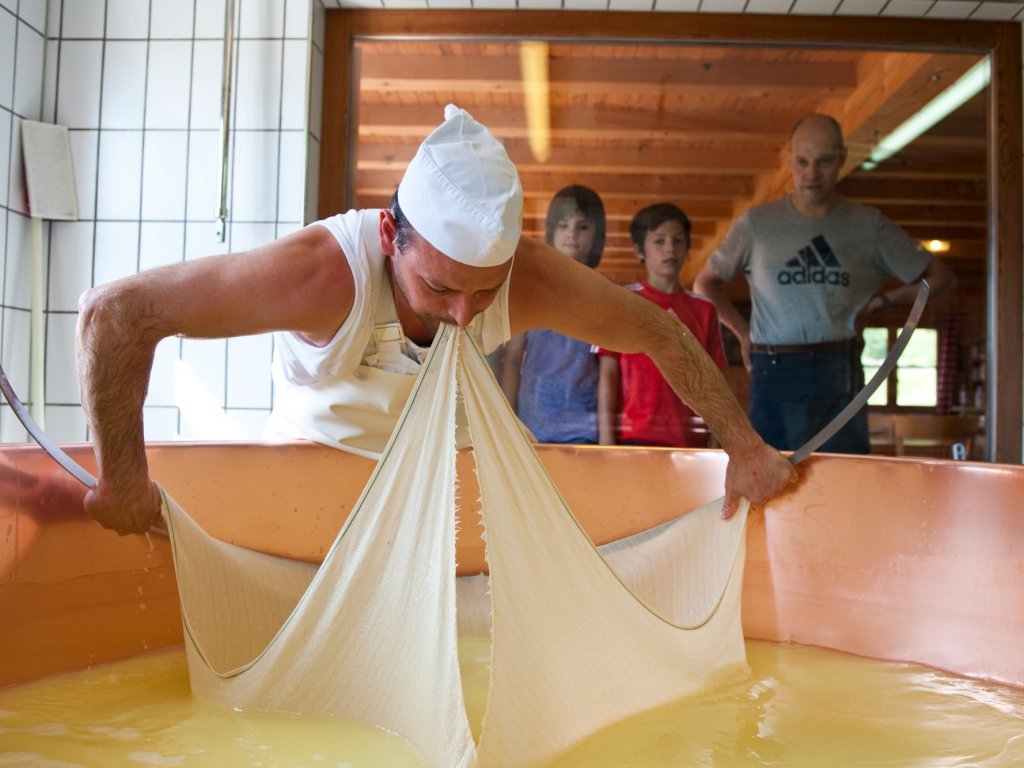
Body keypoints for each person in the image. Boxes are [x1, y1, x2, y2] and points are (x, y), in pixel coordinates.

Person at [77, 104, 796, 536]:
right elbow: (115, 315)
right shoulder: (321, 273)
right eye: (442, 288)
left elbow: (659, 332)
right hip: (312, 492)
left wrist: (744, 447)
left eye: (484, 296)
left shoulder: (529, 276)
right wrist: (123, 481)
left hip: (460, 501)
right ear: (393, 235)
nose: (463, 316)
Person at [693, 113, 954, 455]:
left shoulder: (868, 225)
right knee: (770, 476)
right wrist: (743, 335)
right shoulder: (758, 224)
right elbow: (705, 284)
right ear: (789, 159)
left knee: (842, 475)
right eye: (802, 162)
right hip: (773, 368)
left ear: (842, 158)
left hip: (839, 365)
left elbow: (942, 278)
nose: (811, 174)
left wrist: (886, 301)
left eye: (824, 161)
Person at [597, 203, 727, 448]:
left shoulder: (705, 309)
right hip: (635, 437)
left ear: (687, 247)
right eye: (659, 241)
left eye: (678, 240)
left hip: (691, 441)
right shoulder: (622, 301)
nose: (670, 248)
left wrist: (718, 442)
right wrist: (606, 440)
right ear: (639, 250)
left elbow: (716, 383)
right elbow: (608, 374)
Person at [500, 185, 606, 443]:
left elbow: (606, 371)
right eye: (563, 224)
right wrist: (506, 423)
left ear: (597, 234)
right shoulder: (531, 289)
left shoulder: (604, 294)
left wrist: (607, 440)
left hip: (584, 427)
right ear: (551, 230)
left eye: (582, 226)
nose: (572, 233)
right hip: (532, 426)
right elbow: (513, 360)